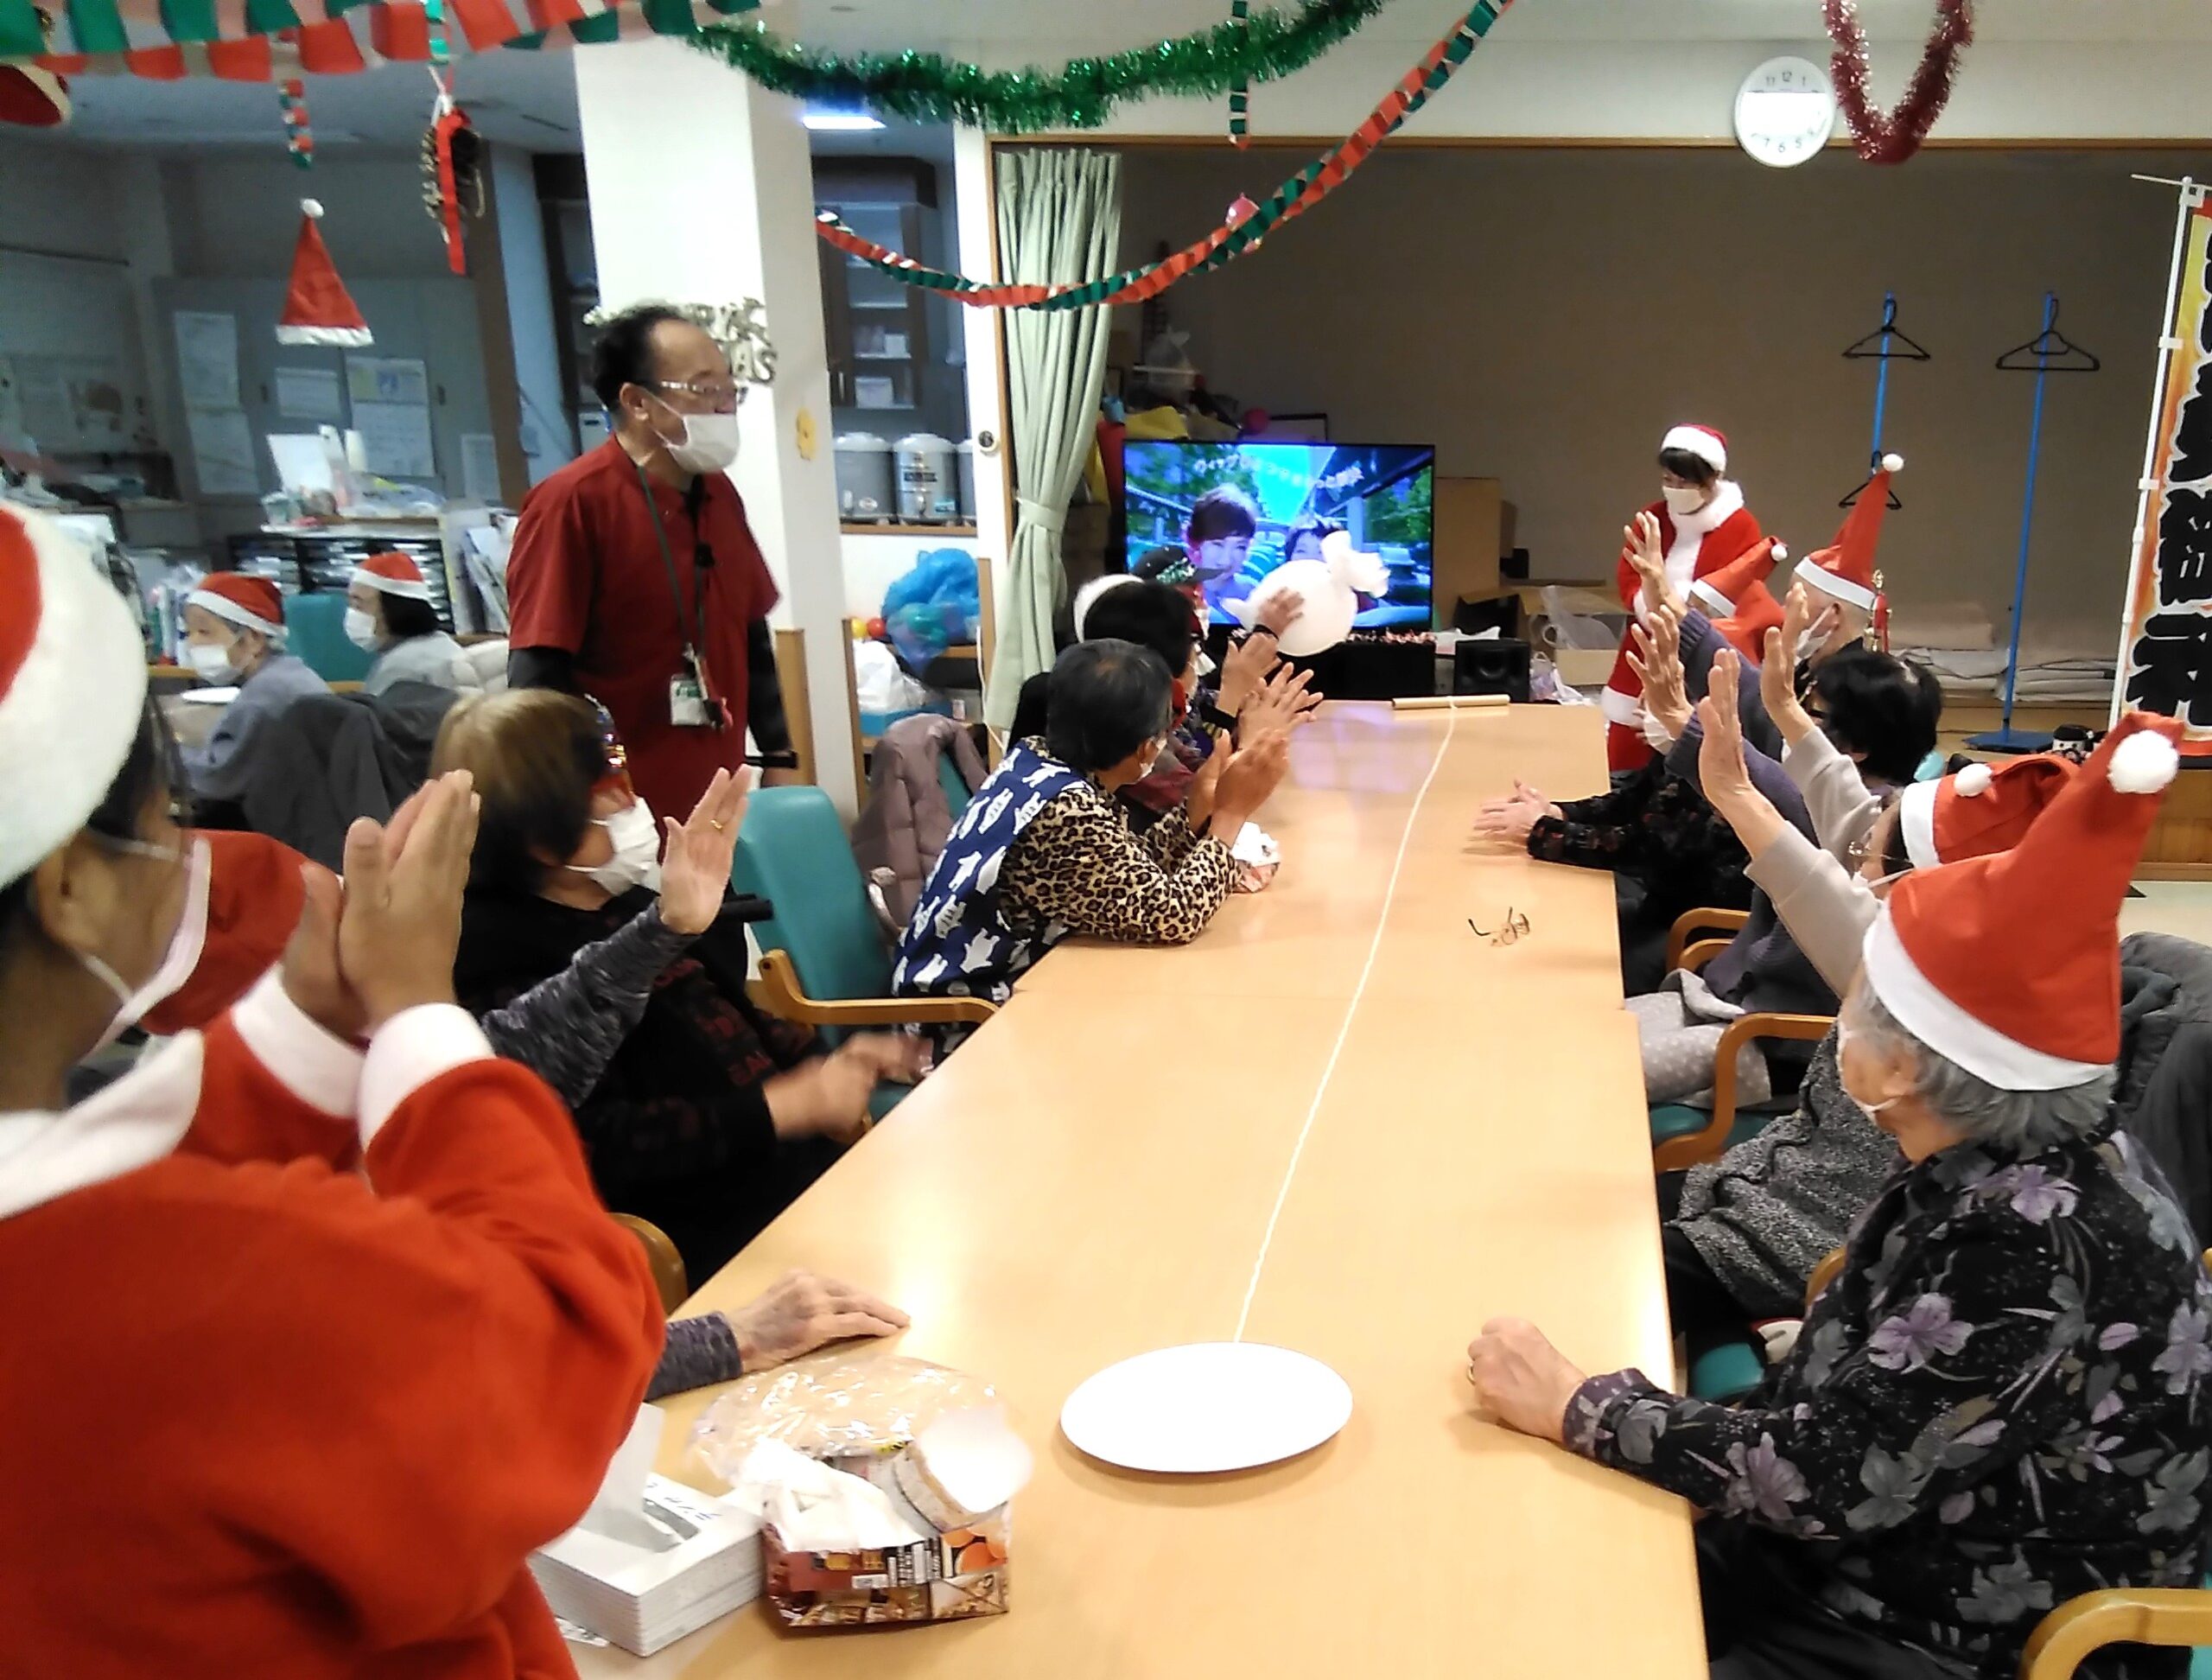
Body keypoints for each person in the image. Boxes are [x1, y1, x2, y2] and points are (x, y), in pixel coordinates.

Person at [0, 500, 664, 1673]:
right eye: (168, 818)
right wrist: (419, 1018)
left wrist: (308, 1026)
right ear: (71, 889)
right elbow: (560, 1359)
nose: (193, 848)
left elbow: (126, 1164)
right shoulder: (190, 1283)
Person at [1470, 710, 2212, 1680]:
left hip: (1954, 1632)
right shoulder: (2002, 1151)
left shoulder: (2029, 1243)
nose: (1841, 1018)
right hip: (1869, 1548)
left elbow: (1825, 1479)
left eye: (1862, 1003)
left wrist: (1579, 1405)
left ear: (1909, 1063)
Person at [1657, 674, 2082, 1350]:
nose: (1853, 865)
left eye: (1865, 854)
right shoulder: (1941, 966)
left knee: (1602, 1259)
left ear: (1923, 888)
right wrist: (1777, 713)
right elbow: (1837, 810)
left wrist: (1738, 792)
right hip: (1761, 1190)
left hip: (1798, 1236)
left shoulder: (1929, 998)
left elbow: (1812, 882)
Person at [435, 687, 914, 1280]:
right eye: (605, 788)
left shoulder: (631, 904)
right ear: (538, 835)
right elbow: (594, 1143)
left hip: (793, 1183)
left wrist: (830, 1063)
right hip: (705, 1235)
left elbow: (732, 1018)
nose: (631, 800)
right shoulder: (496, 956)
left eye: (622, 775)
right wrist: (783, 1109)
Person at [893, 639, 1294, 1057]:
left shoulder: (1036, 762)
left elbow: (1127, 876)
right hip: (961, 1026)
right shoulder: (1065, 809)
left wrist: (1197, 810)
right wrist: (1230, 816)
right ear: (1146, 746)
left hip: (1000, 994)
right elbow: (1174, 915)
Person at [505, 302, 798, 827]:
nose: (723, 406)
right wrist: (576, 798)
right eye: (704, 390)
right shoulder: (572, 503)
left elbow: (751, 632)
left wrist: (779, 755)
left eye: (729, 390)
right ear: (638, 401)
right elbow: (537, 675)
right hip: (617, 812)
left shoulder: (719, 495)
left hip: (713, 796)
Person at [1626, 639, 1941, 1107]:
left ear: (1857, 745)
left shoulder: (1888, 848)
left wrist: (1691, 732)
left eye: (1812, 713)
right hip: (1723, 1004)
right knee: (1588, 1035)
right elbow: (1819, 779)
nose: (1796, 730)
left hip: (1768, 1042)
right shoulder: (1880, 815)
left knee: (1599, 1072)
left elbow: (1785, 803)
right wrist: (1778, 704)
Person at [1599, 423, 1764, 774]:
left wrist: (1684, 614)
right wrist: (1649, 604)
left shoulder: (1740, 525)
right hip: (1645, 642)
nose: (1674, 489)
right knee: (1626, 745)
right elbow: (1629, 574)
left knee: (1689, 748)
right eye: (1668, 480)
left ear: (1712, 478)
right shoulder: (1652, 517)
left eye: (1684, 482)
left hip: (1704, 649)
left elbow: (1736, 594)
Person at [177, 571, 328, 805]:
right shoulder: (290, 672)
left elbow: (214, 779)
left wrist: (161, 753)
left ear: (254, 639)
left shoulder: (265, 695)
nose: (191, 643)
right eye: (189, 632)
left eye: (204, 632)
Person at [346, 551, 473, 696]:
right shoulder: (442, 643)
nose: (352, 613)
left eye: (358, 604)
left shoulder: (401, 668)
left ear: (392, 607)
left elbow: (378, 710)